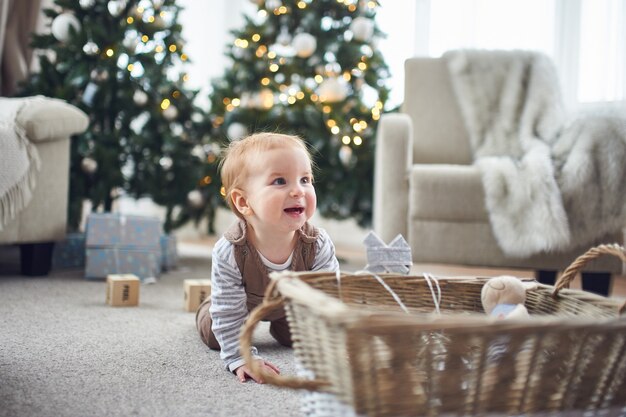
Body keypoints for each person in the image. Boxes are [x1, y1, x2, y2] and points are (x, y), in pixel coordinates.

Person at [196, 132, 340, 384]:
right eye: (280, 181)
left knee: (299, 337)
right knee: (216, 336)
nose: (298, 190)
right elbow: (229, 313)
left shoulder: (317, 244)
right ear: (243, 202)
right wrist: (241, 358)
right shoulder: (230, 249)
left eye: (305, 179)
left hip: (289, 306)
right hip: (239, 302)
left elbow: (328, 298)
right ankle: (206, 307)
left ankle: (281, 325)